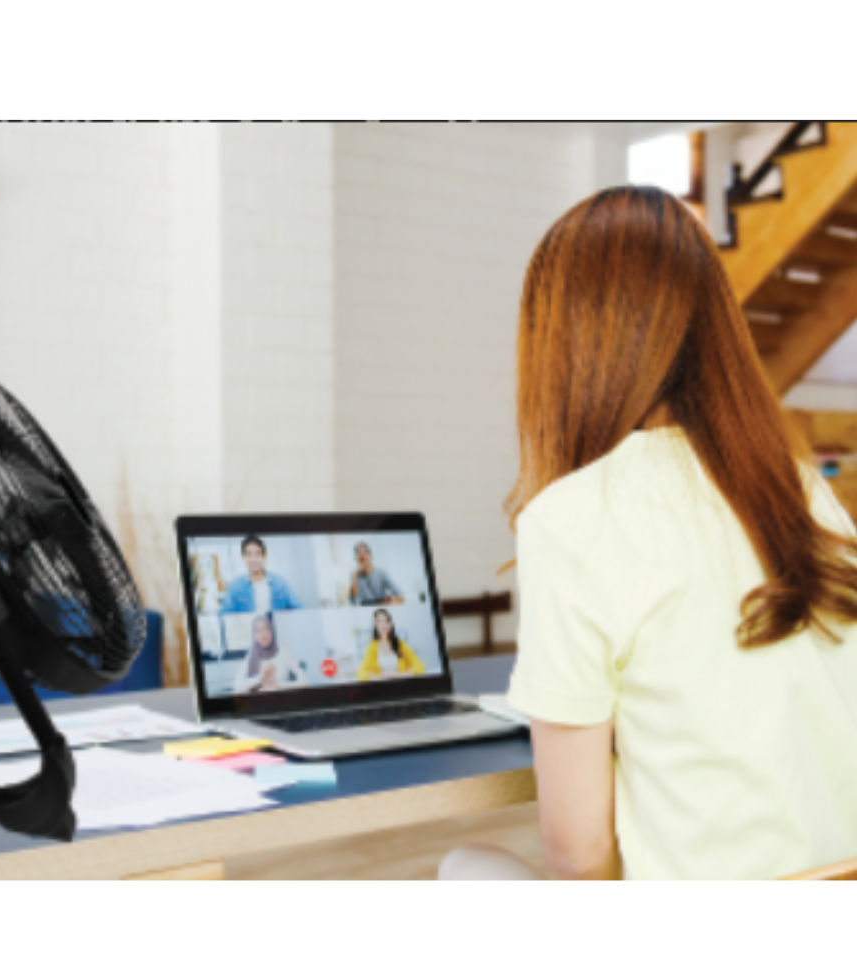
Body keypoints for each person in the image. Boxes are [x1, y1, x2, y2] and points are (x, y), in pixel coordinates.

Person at [443, 186, 857, 881]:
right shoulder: (807, 492)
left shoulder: (572, 519)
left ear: (561, 347)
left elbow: (578, 854)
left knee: (463, 867)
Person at [221, 536, 304, 615]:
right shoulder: (234, 586)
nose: (253, 559)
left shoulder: (281, 583)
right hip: (247, 630)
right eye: (249, 554)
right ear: (243, 557)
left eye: (257, 554)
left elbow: (299, 610)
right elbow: (224, 616)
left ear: (264, 556)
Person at [234, 614, 307, 694]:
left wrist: (278, 685)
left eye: (266, 629)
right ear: (254, 636)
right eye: (257, 631)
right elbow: (237, 686)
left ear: (272, 631)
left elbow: (305, 682)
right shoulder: (251, 657)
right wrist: (260, 678)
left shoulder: (284, 653)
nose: (262, 634)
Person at [357, 609, 426, 682]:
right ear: (375, 625)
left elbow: (420, 666)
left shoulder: (400, 644)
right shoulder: (372, 647)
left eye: (386, 621)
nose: (383, 625)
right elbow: (361, 673)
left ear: (391, 624)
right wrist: (381, 677)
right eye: (379, 621)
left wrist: (400, 675)